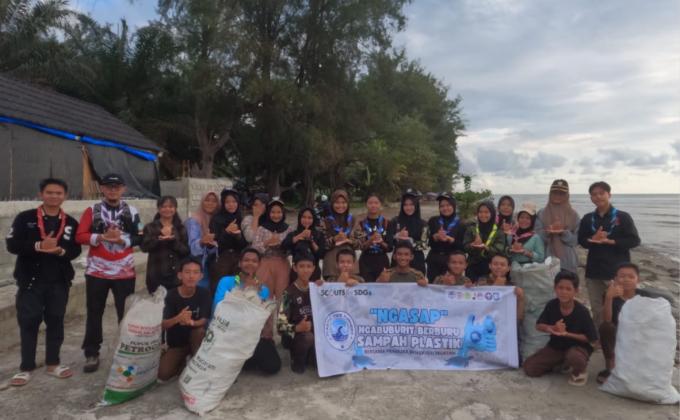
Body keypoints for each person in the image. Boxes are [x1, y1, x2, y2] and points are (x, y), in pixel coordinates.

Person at [6, 178, 81, 386]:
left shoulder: (70, 222)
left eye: (58, 193)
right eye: (49, 192)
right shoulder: (25, 218)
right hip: (31, 281)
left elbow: (75, 250)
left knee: (56, 321)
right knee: (29, 322)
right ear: (41, 194)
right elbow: (12, 244)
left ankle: (53, 363)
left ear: (65, 196)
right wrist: (39, 246)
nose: (54, 196)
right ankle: (26, 368)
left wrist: (60, 251)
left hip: (59, 282)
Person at [76, 173, 142, 373]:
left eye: (117, 187)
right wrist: (101, 237)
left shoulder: (132, 211)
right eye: (109, 187)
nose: (113, 190)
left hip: (124, 271)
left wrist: (123, 240)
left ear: (123, 189)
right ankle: (91, 352)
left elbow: (140, 237)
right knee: (94, 312)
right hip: (98, 271)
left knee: (126, 313)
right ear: (102, 189)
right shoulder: (92, 210)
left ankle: (125, 351)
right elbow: (80, 236)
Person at [577, 181, 640, 328]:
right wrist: (592, 239)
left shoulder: (623, 217)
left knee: (619, 307)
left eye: (601, 193)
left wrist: (612, 241)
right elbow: (581, 241)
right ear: (591, 198)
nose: (598, 197)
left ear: (609, 195)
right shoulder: (587, 218)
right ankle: (599, 335)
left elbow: (634, 240)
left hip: (616, 272)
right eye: (594, 194)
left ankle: (621, 335)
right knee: (597, 308)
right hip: (593, 270)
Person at [523, 270, 598, 386]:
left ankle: (580, 371)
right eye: (560, 288)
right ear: (555, 288)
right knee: (530, 368)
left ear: (576, 291)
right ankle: (561, 363)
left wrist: (566, 334)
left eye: (568, 289)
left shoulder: (582, 312)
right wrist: (551, 328)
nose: (563, 292)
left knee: (574, 357)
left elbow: (591, 338)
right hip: (556, 347)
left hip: (577, 348)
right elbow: (539, 325)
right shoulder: (551, 305)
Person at [213, 248, 281, 374]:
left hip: (248, 335)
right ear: (240, 263)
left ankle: (240, 361)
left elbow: (260, 317)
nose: (250, 263)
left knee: (273, 366)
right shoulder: (227, 281)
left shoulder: (263, 289)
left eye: (254, 261)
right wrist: (243, 291)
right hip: (226, 332)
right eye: (246, 260)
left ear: (259, 265)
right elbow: (219, 307)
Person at [597, 262, 653, 384]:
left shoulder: (644, 296)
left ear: (638, 280)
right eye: (622, 276)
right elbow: (607, 320)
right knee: (606, 327)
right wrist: (609, 298)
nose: (626, 279)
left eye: (631, 276)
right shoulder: (609, 294)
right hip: (617, 335)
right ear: (615, 279)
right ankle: (610, 366)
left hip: (638, 335)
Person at [157, 257, 211, 381]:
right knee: (162, 374)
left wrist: (190, 322)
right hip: (177, 343)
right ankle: (183, 362)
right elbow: (162, 325)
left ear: (201, 276)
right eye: (187, 272)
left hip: (196, 340)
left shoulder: (204, 293)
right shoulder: (169, 296)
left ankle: (197, 363)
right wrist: (177, 318)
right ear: (180, 275)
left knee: (199, 331)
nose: (191, 276)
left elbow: (203, 319)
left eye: (195, 272)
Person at [140, 196, 190, 293]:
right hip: (156, 275)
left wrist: (173, 241)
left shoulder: (180, 228)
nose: (167, 209)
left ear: (175, 209)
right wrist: (159, 238)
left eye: (171, 206)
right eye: (164, 206)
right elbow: (144, 247)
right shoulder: (150, 227)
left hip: (176, 277)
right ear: (159, 209)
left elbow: (186, 251)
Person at [278, 253, 317, 373]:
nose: (305, 270)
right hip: (294, 336)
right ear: (295, 268)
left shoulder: (317, 289)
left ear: (313, 268)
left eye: (309, 266)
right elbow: (280, 327)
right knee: (307, 337)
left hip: (313, 334)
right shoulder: (288, 293)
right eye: (301, 266)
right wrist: (297, 328)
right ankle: (296, 360)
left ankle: (310, 356)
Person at [252, 198, 295, 300]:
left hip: (282, 264)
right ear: (268, 213)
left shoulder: (289, 229)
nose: (276, 215)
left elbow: (292, 247)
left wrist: (282, 245)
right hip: (265, 263)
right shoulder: (262, 228)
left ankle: (281, 311)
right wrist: (267, 243)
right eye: (273, 212)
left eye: (279, 212)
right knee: (265, 295)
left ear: (283, 213)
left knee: (282, 295)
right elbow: (255, 246)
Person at [535, 179, 580, 274]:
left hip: (568, 260)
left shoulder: (574, 215)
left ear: (567, 195)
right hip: (547, 259)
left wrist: (563, 233)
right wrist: (547, 232)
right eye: (554, 192)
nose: (557, 196)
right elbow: (537, 238)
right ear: (550, 194)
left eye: (561, 193)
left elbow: (576, 241)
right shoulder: (542, 213)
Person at [209, 188, 247, 293]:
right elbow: (214, 243)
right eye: (227, 202)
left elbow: (244, 244)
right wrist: (226, 231)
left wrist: (238, 236)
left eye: (234, 202)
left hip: (238, 261)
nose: (231, 205)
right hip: (221, 261)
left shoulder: (241, 219)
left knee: (236, 289)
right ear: (223, 203)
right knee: (219, 289)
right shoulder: (216, 219)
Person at [426, 192, 466, 282]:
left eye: (448, 205)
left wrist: (451, 240)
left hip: (453, 264)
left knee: (452, 288)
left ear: (454, 205)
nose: (445, 208)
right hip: (434, 261)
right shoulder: (433, 221)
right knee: (433, 287)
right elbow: (428, 243)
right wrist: (435, 237)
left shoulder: (462, 224)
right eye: (442, 206)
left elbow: (463, 247)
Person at [386, 189, 428, 274]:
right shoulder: (394, 221)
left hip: (417, 262)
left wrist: (409, 240)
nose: (408, 208)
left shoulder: (423, 224)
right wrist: (396, 236)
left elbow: (424, 245)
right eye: (405, 205)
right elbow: (388, 243)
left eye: (411, 204)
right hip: (397, 262)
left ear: (416, 205)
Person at [463, 201, 507, 283]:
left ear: (492, 213)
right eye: (480, 212)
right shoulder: (471, 228)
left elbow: (499, 250)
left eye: (486, 212)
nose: (483, 215)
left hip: (491, 268)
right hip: (472, 266)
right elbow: (465, 246)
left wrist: (486, 247)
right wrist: (472, 245)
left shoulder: (498, 231)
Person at [184, 191, 219, 289]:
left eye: (214, 201)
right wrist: (202, 241)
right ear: (202, 202)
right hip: (199, 264)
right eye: (207, 200)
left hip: (213, 263)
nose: (210, 203)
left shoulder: (218, 219)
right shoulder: (194, 220)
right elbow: (192, 247)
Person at [321, 189, 358, 279]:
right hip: (332, 265)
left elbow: (360, 243)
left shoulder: (352, 219)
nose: (340, 205)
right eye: (337, 202)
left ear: (348, 203)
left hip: (350, 264)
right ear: (332, 203)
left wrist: (349, 241)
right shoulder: (325, 221)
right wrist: (334, 239)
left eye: (343, 202)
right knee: (333, 287)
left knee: (352, 286)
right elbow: (322, 244)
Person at [282, 207, 326, 282]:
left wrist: (311, 241)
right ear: (299, 218)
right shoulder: (293, 234)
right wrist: (300, 236)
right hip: (296, 272)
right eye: (304, 217)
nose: (306, 220)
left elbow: (321, 254)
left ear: (314, 219)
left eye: (309, 218)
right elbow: (283, 247)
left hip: (313, 273)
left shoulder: (319, 235)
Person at [355, 194, 391, 282]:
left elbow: (390, 247)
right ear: (366, 205)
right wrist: (371, 240)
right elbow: (361, 247)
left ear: (380, 204)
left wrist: (381, 242)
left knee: (383, 287)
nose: (373, 205)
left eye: (376, 203)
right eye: (370, 203)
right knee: (367, 287)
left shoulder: (387, 223)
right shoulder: (361, 224)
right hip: (366, 261)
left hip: (382, 260)